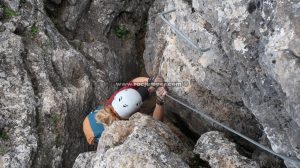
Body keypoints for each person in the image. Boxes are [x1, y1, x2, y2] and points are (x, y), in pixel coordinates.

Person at [83, 76, 168, 145]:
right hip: (95, 135)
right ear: (132, 115)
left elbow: (134, 82)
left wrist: (151, 81)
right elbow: (157, 126)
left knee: (138, 97)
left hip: (88, 121)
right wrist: (160, 101)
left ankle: (150, 89)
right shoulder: (124, 129)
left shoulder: (114, 100)